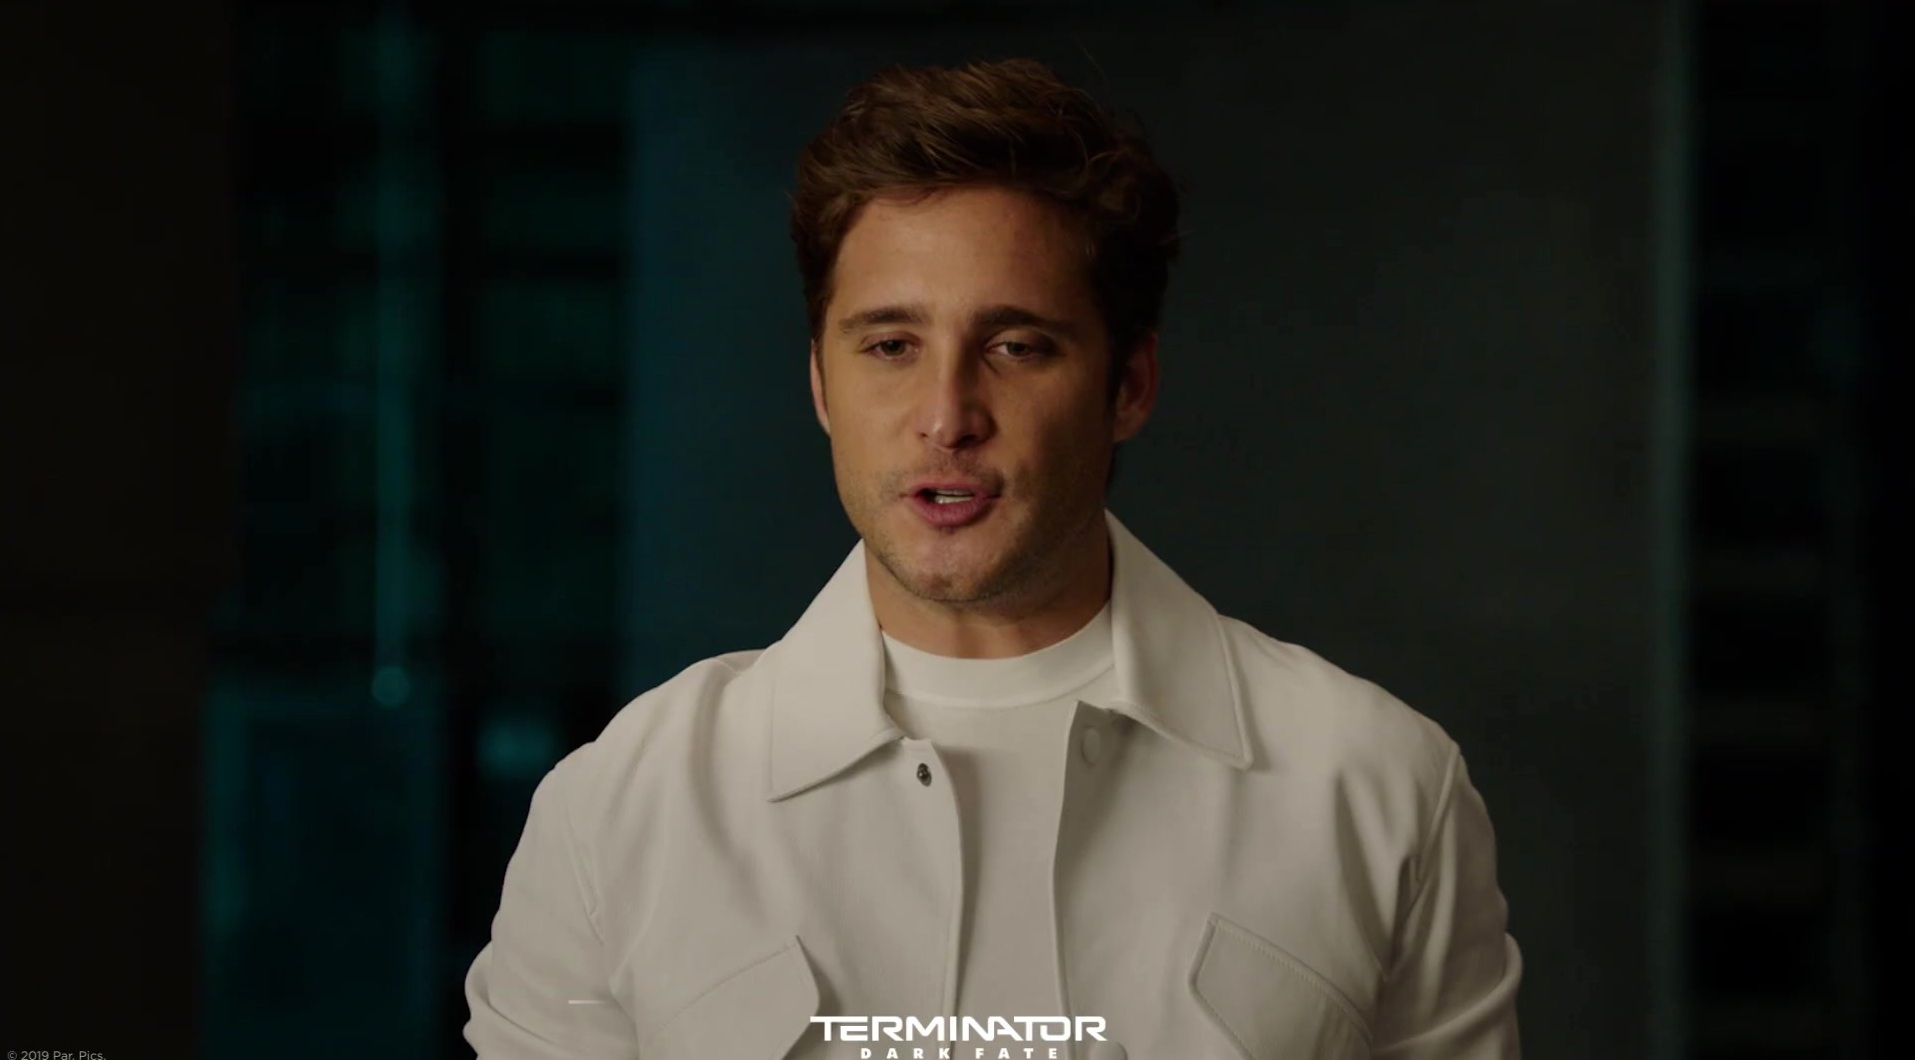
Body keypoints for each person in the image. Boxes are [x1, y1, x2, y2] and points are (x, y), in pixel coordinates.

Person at [464, 57, 1522, 1060]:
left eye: (1015, 346)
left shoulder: (1373, 786)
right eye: (890, 346)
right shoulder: (619, 810)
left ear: (1129, 386)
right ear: (822, 384)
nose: (947, 415)